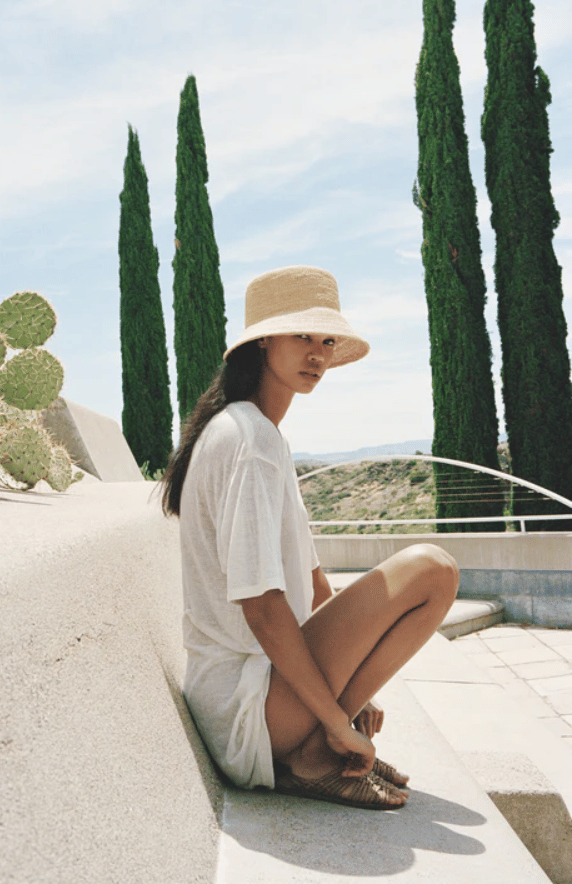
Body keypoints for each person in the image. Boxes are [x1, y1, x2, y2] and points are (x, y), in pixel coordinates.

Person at [161, 265, 459, 810]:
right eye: (301, 336)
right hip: (246, 710)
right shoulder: (248, 439)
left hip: (260, 694)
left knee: (429, 572)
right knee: (432, 569)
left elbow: (316, 587)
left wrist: (356, 697)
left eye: (326, 340)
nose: (317, 353)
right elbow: (263, 606)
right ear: (262, 342)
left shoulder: (259, 433)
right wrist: (336, 721)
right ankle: (314, 754)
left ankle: (318, 743)